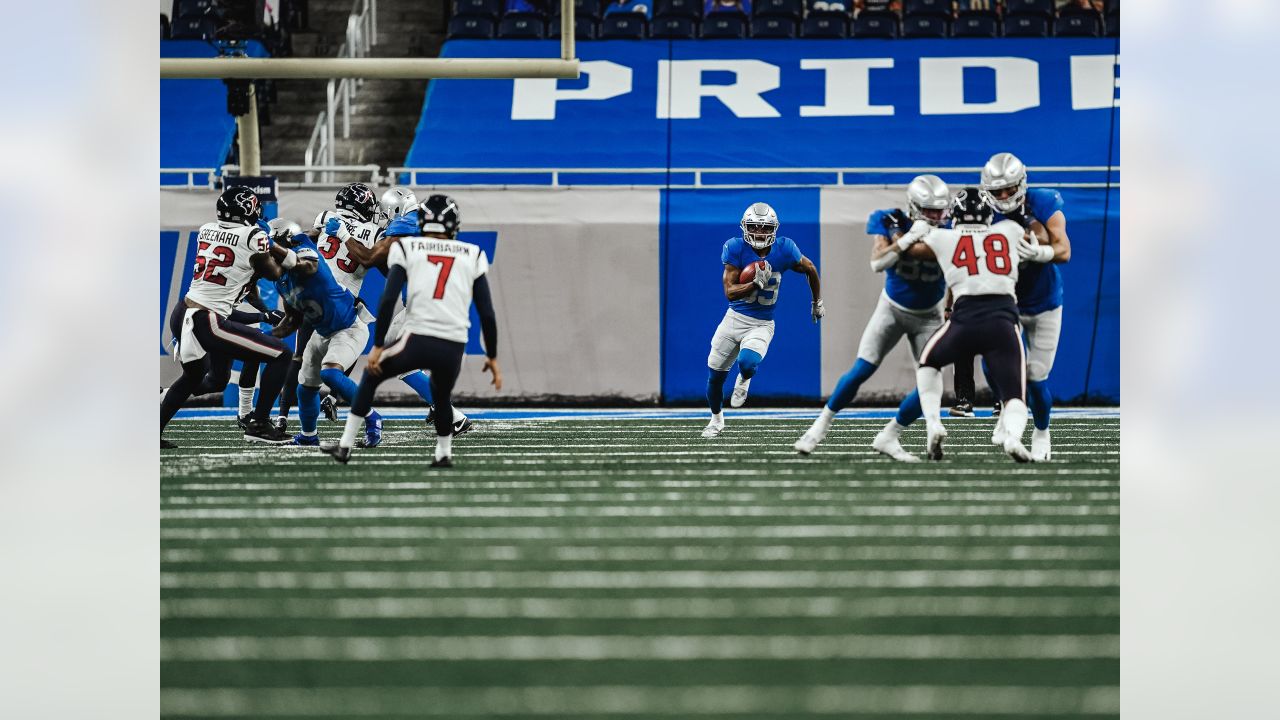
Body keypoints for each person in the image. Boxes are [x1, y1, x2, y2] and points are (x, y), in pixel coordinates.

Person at [322, 194, 500, 467]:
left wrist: (346, 234)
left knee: (386, 364)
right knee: (416, 364)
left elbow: (372, 261)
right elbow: (486, 311)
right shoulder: (469, 252)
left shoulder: (405, 228)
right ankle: (444, 436)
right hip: (451, 320)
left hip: (420, 309)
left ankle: (452, 417)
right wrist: (493, 355)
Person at [793, 175, 949, 460]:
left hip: (930, 315)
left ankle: (892, 435)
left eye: (940, 210)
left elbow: (937, 254)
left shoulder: (949, 230)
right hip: (892, 308)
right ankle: (818, 427)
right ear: (914, 207)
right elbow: (878, 263)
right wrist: (907, 239)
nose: (938, 216)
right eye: (930, 210)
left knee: (930, 383)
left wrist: (906, 242)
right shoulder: (891, 221)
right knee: (862, 369)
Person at [908, 188, 1039, 462]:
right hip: (1003, 319)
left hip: (964, 317)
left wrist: (916, 228)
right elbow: (1033, 242)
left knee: (927, 364)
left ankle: (933, 423)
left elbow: (913, 250)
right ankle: (1013, 437)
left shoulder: (942, 237)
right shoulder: (1010, 231)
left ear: (954, 214)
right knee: (1015, 396)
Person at [160, 188, 296, 447]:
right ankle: (259, 423)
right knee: (280, 354)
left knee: (205, 379)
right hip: (206, 320)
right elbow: (274, 273)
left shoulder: (208, 229)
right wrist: (289, 255)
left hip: (184, 311)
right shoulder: (253, 236)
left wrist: (263, 311)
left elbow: (244, 281)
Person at [702, 202, 823, 439]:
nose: (759, 232)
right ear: (745, 227)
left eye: (765, 228)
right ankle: (716, 420)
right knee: (715, 377)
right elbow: (730, 292)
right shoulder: (735, 248)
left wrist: (816, 302)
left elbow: (810, 269)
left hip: (761, 323)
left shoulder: (785, 249)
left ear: (774, 229)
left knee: (747, 363)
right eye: (754, 227)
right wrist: (753, 284)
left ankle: (744, 379)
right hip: (734, 319)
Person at [979, 152, 1069, 461]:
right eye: (997, 191)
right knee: (991, 365)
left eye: (1009, 189)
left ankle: (1042, 431)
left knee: (1035, 378)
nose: (1003, 196)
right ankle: (1007, 406)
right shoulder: (978, 212)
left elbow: (1064, 249)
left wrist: (1039, 253)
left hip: (1044, 302)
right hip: (1006, 303)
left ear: (1022, 184)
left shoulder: (1043, 201)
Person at [270, 227, 384, 448]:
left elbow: (307, 265)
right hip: (322, 333)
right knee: (305, 386)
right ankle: (308, 435)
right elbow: (292, 321)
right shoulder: (282, 280)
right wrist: (263, 337)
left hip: (349, 328)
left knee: (330, 373)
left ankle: (371, 416)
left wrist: (272, 246)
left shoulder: (307, 255)